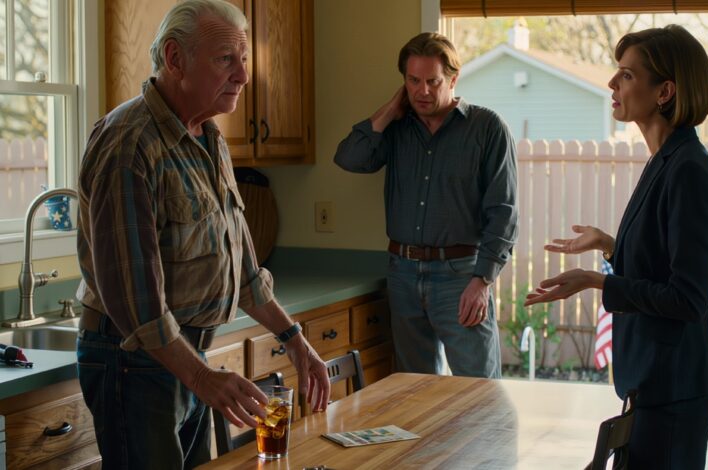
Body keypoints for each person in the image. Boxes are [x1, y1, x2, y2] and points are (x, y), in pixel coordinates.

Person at [75, 1, 330, 467]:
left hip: (185, 356)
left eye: (244, 59)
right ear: (175, 60)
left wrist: (296, 340)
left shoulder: (208, 136)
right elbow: (139, 309)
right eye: (225, 59)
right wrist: (203, 378)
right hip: (134, 361)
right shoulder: (129, 144)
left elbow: (245, 273)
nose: (244, 76)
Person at [524, 25, 708, 468]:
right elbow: (661, 267)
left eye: (626, 75)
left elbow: (687, 298)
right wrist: (612, 246)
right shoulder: (664, 160)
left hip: (674, 386)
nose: (612, 84)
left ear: (664, 91)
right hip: (653, 380)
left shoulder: (689, 168)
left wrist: (595, 280)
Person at [334, 32, 517, 379]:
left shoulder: (487, 128)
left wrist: (483, 281)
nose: (423, 91)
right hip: (401, 274)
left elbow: (504, 213)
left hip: (461, 277)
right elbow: (349, 158)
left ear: (452, 78)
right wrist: (390, 109)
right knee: (413, 390)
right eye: (413, 81)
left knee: (476, 392)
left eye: (432, 81)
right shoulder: (396, 128)